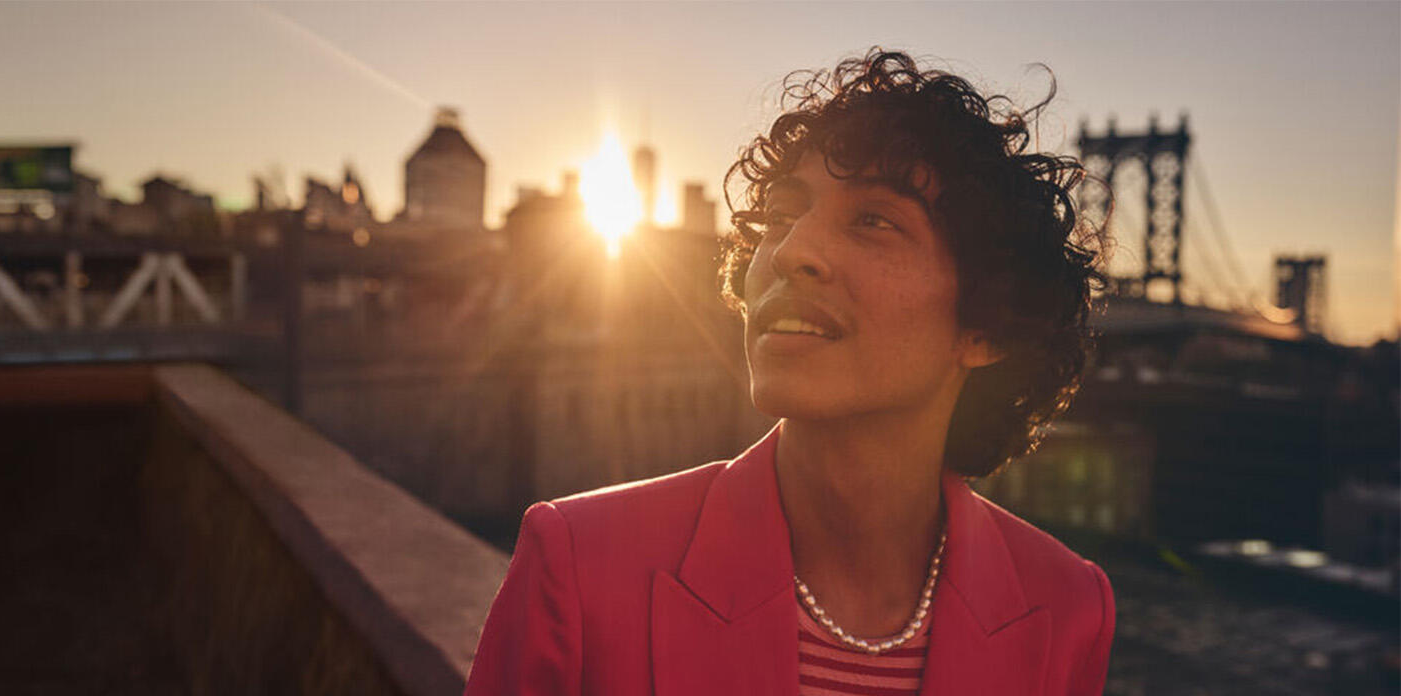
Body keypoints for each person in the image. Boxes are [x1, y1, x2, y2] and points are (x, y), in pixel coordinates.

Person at [463, 49, 1113, 695]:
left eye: (873, 221)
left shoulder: (1070, 608)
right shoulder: (577, 565)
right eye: (780, 217)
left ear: (986, 328)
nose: (791, 249)